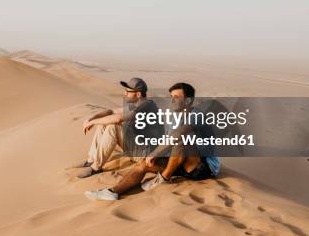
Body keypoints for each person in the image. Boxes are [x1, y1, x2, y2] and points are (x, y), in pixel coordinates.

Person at [84, 82, 220, 201]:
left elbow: (179, 133)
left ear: (188, 101)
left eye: (176, 97)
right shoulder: (172, 117)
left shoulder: (197, 115)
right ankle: (112, 192)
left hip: (200, 167)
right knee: (144, 164)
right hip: (178, 162)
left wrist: (154, 153)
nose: (172, 101)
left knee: (182, 140)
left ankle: (163, 178)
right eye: (171, 97)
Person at [72, 77, 161, 178]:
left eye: (128, 91)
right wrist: (91, 119)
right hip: (137, 146)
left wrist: (93, 122)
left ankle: (96, 168)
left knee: (113, 127)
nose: (125, 93)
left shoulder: (146, 107)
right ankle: (91, 160)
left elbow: (118, 119)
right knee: (103, 123)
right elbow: (111, 111)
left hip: (145, 155)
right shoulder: (138, 105)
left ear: (138, 94)